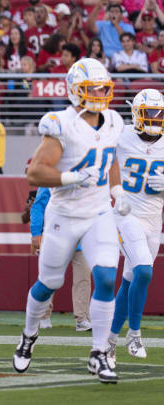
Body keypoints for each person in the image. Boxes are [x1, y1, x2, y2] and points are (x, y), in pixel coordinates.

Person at [13, 58, 125, 384]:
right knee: (49, 283)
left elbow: (110, 157)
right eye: (93, 88)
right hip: (63, 214)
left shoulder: (114, 121)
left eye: (104, 87)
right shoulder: (61, 122)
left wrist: (117, 189)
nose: (100, 93)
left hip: (99, 212)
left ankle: (99, 353)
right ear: (76, 90)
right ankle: (28, 336)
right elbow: (35, 171)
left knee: (105, 277)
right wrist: (70, 177)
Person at [108, 89, 164, 364]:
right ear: (136, 113)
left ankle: (108, 343)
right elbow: (103, 162)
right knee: (143, 270)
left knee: (131, 279)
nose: (154, 119)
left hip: (154, 221)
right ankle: (135, 334)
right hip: (125, 214)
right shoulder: (121, 135)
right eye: (149, 113)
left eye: (158, 113)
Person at [30, 187, 93, 331]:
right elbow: (38, 205)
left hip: (81, 236)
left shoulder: (88, 176)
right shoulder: (52, 177)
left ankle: (82, 318)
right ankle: (44, 315)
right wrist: (35, 232)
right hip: (57, 236)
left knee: (83, 278)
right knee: (50, 278)